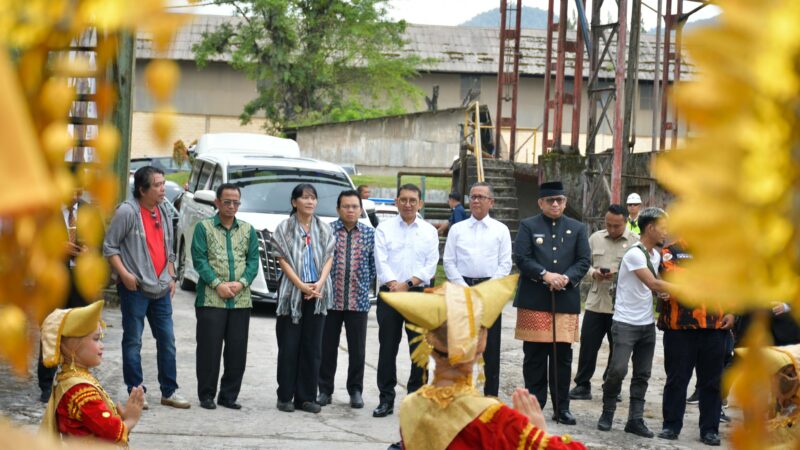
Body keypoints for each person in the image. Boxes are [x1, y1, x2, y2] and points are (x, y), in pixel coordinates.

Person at [381, 275, 586, 450]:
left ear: (428, 339)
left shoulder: (411, 406)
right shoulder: (495, 419)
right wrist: (539, 436)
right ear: (481, 342)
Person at [103, 166, 190, 409]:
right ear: (142, 190)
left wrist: (171, 275)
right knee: (133, 341)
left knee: (167, 340)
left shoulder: (163, 210)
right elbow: (110, 247)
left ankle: (169, 390)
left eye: (163, 183)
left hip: (162, 288)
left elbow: (170, 247)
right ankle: (136, 392)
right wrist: (125, 275)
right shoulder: (127, 212)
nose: (163, 189)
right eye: (157, 185)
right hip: (135, 289)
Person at [513, 181, 591, 425]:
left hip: (564, 299)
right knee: (534, 357)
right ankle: (534, 407)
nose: (555, 204)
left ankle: (562, 407)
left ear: (566, 202)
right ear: (541, 203)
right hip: (535, 299)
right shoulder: (528, 225)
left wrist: (566, 278)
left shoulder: (577, 228)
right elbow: (521, 257)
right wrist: (545, 274)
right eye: (550, 200)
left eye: (559, 200)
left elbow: (584, 259)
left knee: (562, 357)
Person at [597, 207, 672, 438]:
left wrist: (664, 294)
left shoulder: (655, 255)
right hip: (625, 322)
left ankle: (635, 420)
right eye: (663, 228)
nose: (666, 233)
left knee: (643, 373)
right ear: (650, 228)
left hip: (646, 324)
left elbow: (653, 287)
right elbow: (654, 284)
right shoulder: (634, 254)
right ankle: (607, 412)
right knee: (618, 369)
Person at [657, 238, 734, 446]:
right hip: (679, 327)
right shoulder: (672, 250)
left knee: (712, 382)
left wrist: (732, 311)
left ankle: (709, 430)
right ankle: (671, 426)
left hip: (715, 326)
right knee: (677, 379)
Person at [190, 183, 259, 410]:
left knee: (237, 350)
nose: (231, 206)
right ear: (217, 203)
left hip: (240, 300)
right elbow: (199, 259)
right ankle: (207, 395)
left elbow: (252, 262)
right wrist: (218, 284)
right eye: (227, 202)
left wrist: (241, 283)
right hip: (211, 298)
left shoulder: (248, 230)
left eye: (235, 202)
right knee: (209, 349)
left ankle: (229, 395)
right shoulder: (204, 228)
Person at [373, 183, 439, 418]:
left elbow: (430, 266)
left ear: (420, 203)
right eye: (404, 200)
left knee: (419, 350)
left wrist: (407, 284)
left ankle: (416, 400)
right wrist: (394, 284)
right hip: (390, 295)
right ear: (396, 202)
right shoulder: (384, 229)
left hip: (418, 295)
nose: (408, 204)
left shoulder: (429, 231)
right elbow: (381, 261)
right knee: (387, 349)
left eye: (413, 200)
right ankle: (386, 399)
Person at [40, 300, 145, 445]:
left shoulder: (72, 379)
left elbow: (98, 427)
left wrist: (121, 420)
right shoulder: (79, 389)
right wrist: (131, 420)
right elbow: (110, 432)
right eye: (96, 339)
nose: (102, 346)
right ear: (73, 347)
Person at [443, 181, 512, 397]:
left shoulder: (501, 230)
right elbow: (448, 262)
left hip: (489, 292)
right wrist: (465, 289)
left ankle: (490, 396)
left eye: (481, 197)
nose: (475, 201)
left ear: (491, 202)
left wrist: (486, 290)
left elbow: (505, 264)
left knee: (490, 348)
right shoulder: (457, 229)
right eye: (472, 196)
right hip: (462, 290)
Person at [271, 183, 335, 414]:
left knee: (312, 348)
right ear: (294, 202)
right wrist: (300, 285)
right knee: (289, 346)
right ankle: (285, 396)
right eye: (305, 197)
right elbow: (282, 259)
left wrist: (318, 284)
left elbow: (329, 258)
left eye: (313, 198)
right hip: (292, 294)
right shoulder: (284, 228)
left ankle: (306, 397)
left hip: (317, 295)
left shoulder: (324, 229)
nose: (310, 202)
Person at [570, 204, 638, 401]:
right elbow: (583, 263)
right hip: (595, 302)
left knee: (618, 349)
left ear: (625, 222)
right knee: (588, 346)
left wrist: (619, 274)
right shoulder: (595, 238)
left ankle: (611, 386)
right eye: (608, 225)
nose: (612, 229)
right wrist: (593, 273)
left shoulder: (635, 243)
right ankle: (582, 385)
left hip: (621, 306)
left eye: (616, 226)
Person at [317, 190, 376, 409]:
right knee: (327, 347)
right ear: (338, 209)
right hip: (330, 300)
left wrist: (362, 285)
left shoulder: (370, 234)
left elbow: (373, 266)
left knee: (357, 349)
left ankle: (355, 390)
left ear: (360, 209)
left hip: (358, 301)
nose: (350, 210)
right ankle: (324, 390)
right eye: (346, 206)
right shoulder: (327, 231)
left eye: (354, 206)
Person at [37, 188, 91, 403]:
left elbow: (100, 240)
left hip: (80, 280)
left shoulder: (88, 211)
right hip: (54, 280)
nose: (75, 195)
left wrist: (89, 250)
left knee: (79, 331)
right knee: (51, 329)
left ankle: (76, 380)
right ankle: (46, 384)